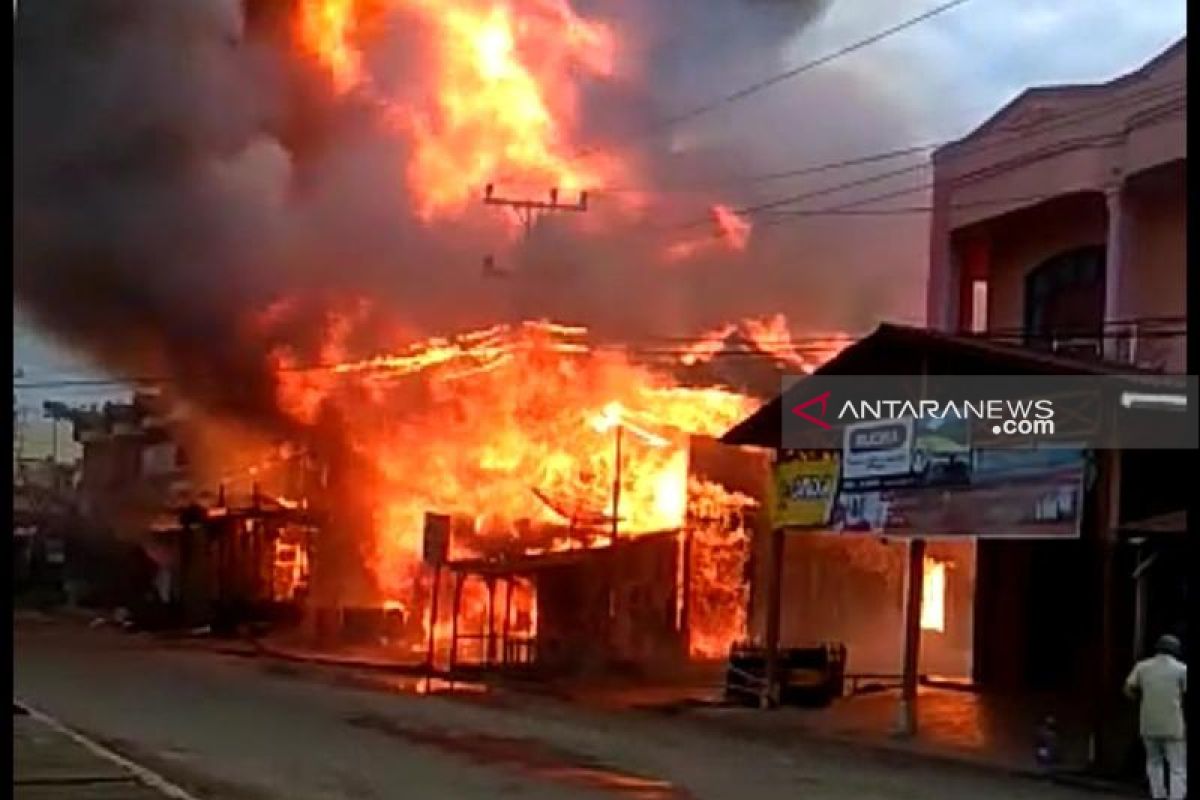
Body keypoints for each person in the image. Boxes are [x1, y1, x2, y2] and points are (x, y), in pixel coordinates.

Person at [1125, 634, 1187, 800]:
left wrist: (1142, 698)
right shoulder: (1181, 669)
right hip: (1173, 726)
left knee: (1154, 763)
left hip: (1149, 724)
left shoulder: (1142, 667)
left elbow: (1128, 688)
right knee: (1177, 767)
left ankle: (1158, 796)